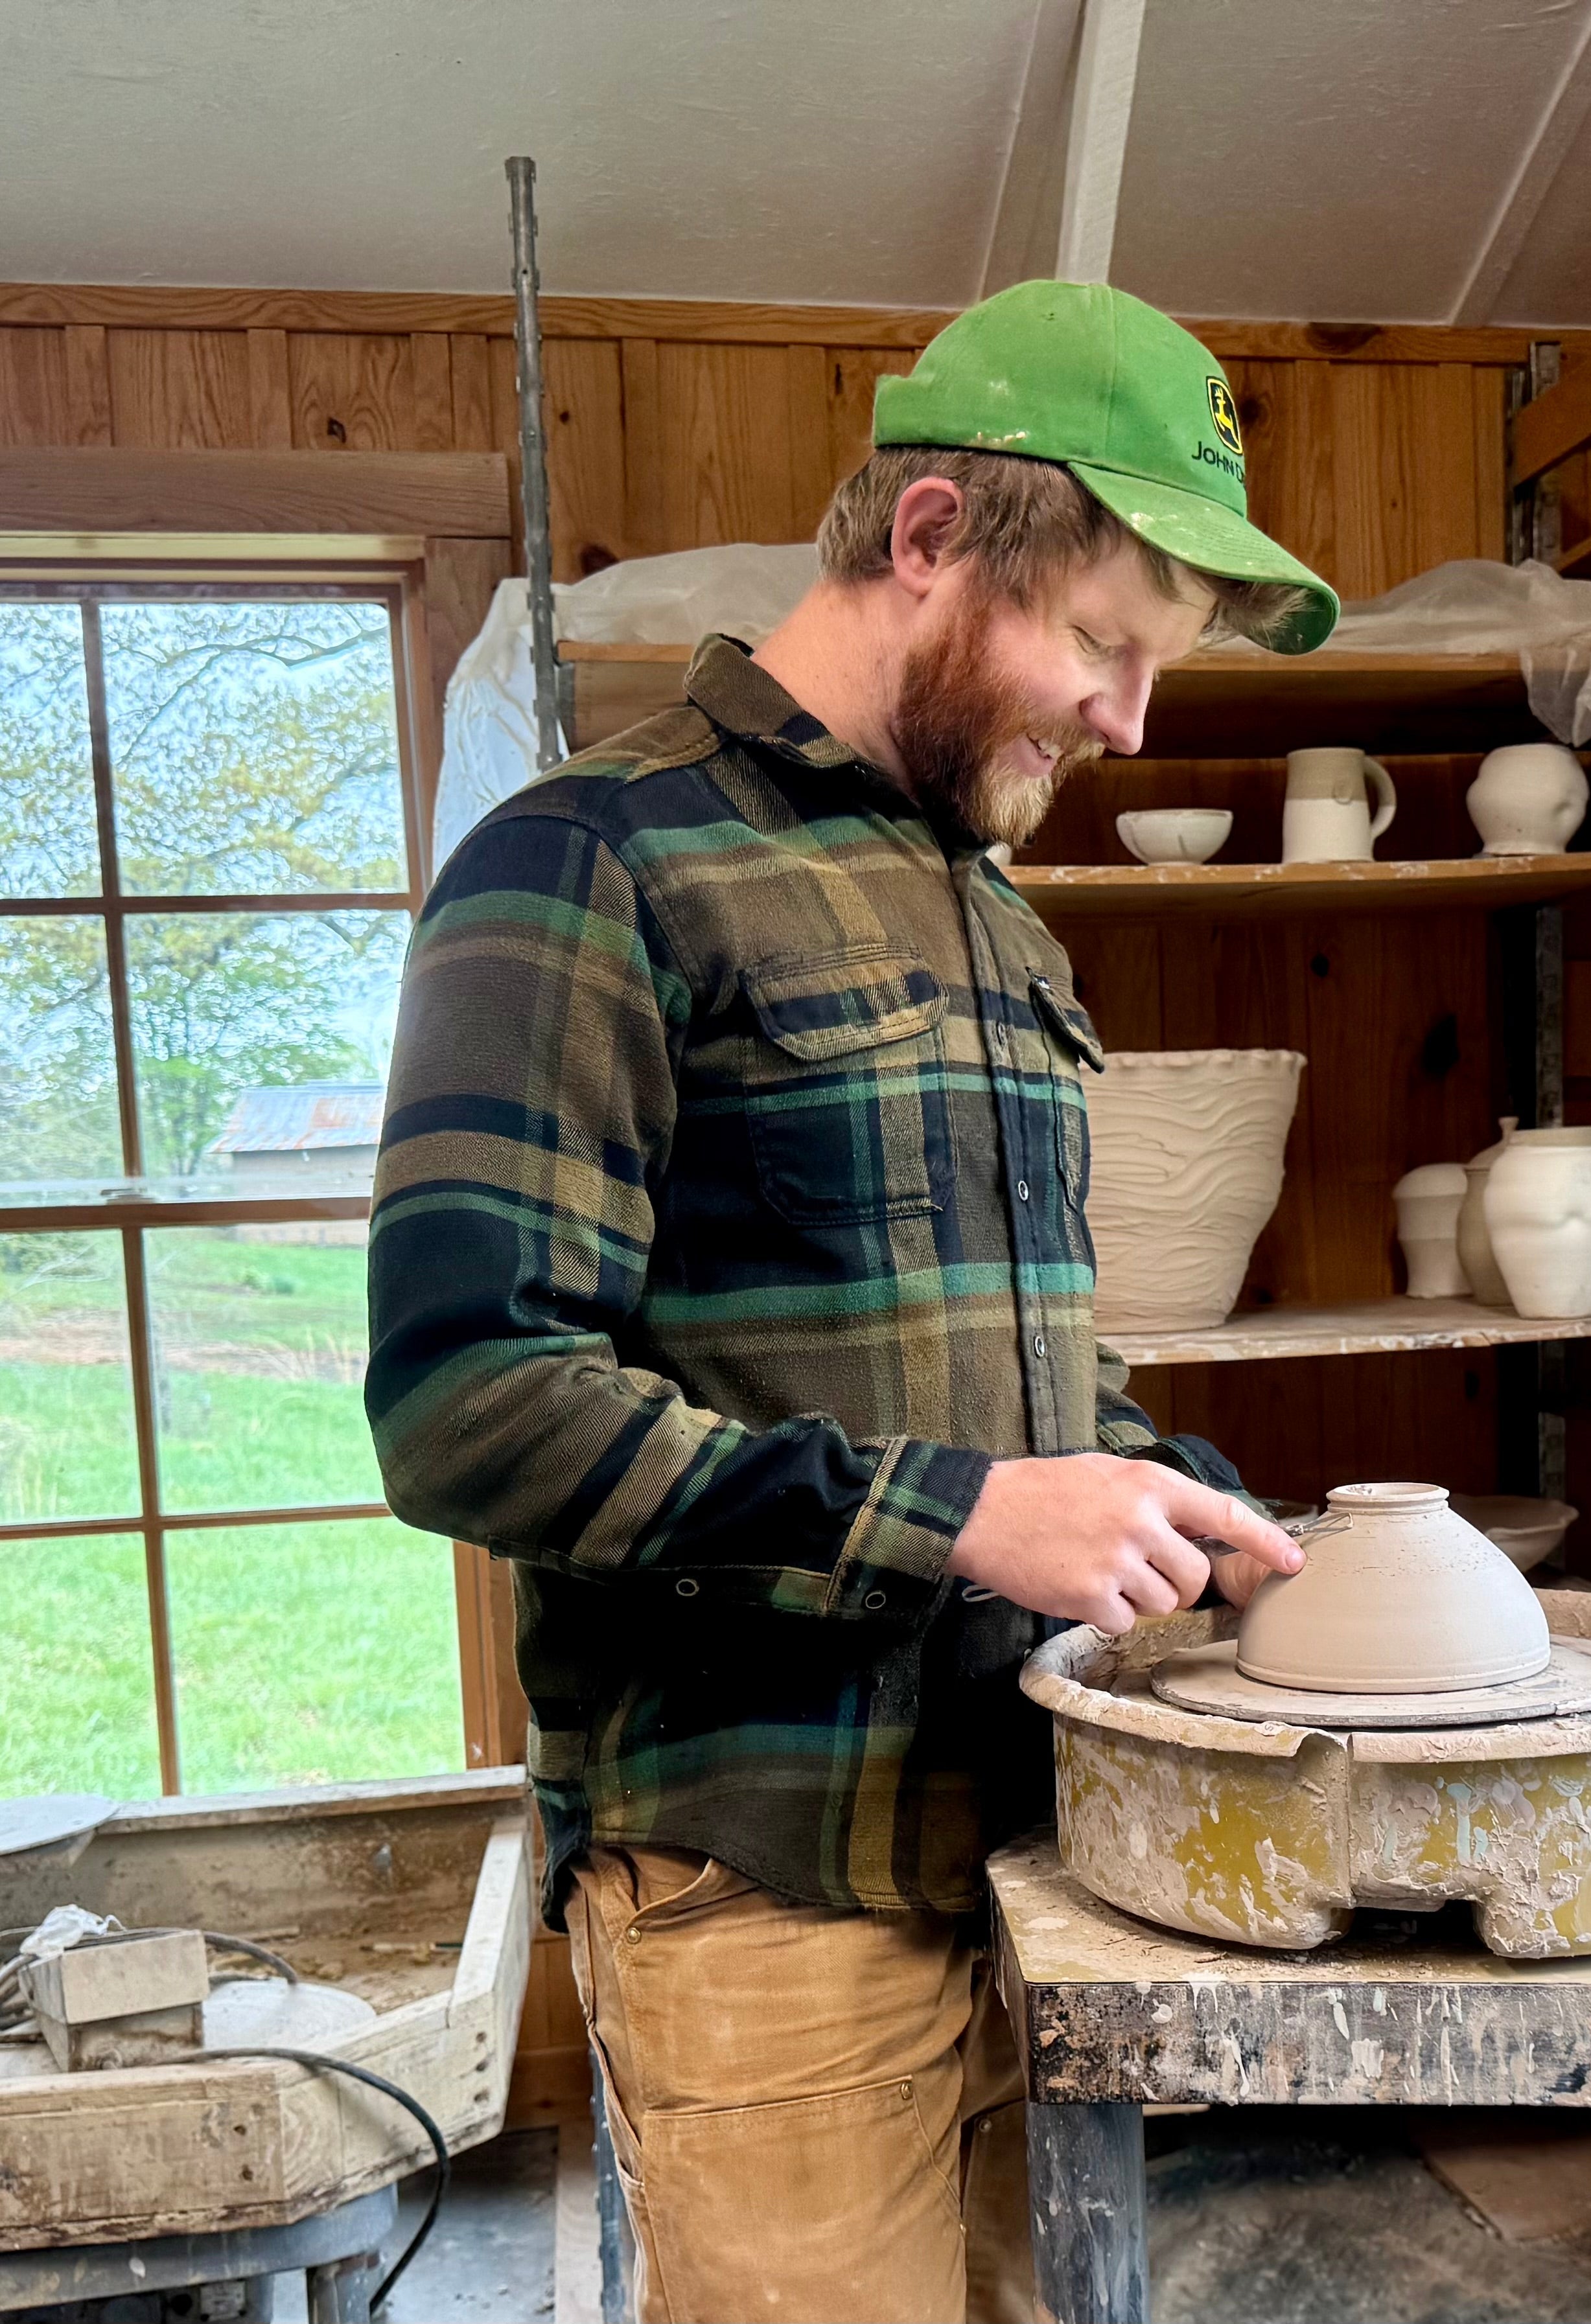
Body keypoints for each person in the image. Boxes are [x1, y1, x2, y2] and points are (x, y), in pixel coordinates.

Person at [366, 279, 1340, 2324]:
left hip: (1041, 1854)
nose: (1128, 721)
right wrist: (961, 1516)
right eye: (1101, 643)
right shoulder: (586, 862)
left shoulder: (991, 913)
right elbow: (465, 1400)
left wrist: (1184, 1496)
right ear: (926, 542)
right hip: (765, 1893)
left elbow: (1025, 1378)